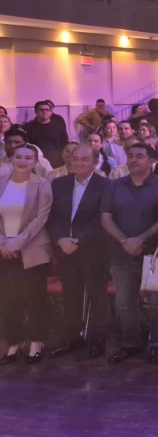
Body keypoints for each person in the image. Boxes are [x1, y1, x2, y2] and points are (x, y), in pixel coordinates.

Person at [100, 143, 158, 365]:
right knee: (124, 302)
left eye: (139, 156)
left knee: (157, 302)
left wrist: (140, 239)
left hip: (157, 252)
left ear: (151, 160)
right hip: (121, 253)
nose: (133, 160)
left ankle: (157, 344)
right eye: (130, 156)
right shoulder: (115, 186)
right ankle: (130, 343)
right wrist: (125, 241)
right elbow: (105, 217)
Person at [47, 145, 112, 360]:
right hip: (64, 249)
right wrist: (60, 240)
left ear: (95, 163)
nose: (79, 163)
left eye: (85, 159)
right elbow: (52, 216)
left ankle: (97, 339)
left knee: (97, 295)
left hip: (93, 250)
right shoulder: (59, 183)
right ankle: (71, 337)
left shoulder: (105, 185)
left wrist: (78, 240)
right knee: (70, 296)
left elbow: (101, 219)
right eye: (75, 159)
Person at [0, 145, 53, 364]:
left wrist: (16, 244)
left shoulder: (42, 185)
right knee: (8, 300)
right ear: (11, 159)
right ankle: (14, 341)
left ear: (35, 162)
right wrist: (3, 243)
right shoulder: (1, 182)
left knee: (34, 299)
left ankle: (36, 342)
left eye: (28, 158)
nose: (22, 161)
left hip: (32, 251)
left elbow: (41, 219)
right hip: (3, 251)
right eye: (18, 156)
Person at [23, 100, 69, 167]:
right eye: (41, 110)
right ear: (36, 112)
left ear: (51, 112)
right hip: (36, 162)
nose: (44, 112)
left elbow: (65, 143)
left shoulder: (59, 126)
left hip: (57, 162)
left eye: (47, 110)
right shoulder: (28, 127)